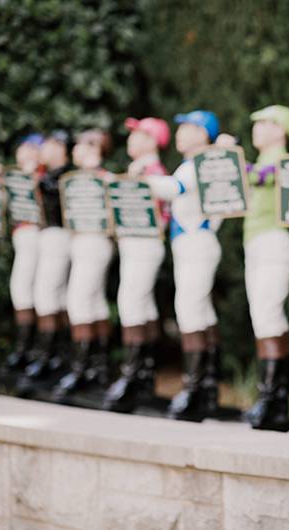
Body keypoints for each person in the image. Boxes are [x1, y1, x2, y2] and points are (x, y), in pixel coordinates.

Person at [146, 110, 223, 421]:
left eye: (189, 128)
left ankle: (195, 389)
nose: (180, 133)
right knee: (200, 311)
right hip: (188, 243)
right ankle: (206, 386)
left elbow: (172, 189)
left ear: (204, 134)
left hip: (197, 241)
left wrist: (140, 179)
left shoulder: (199, 165)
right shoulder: (190, 164)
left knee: (190, 310)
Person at [103, 117, 171, 412]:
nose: (130, 140)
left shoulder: (152, 171)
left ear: (152, 141)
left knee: (132, 301)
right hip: (133, 243)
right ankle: (142, 376)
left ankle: (134, 377)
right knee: (140, 305)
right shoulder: (138, 170)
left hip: (145, 243)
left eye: (138, 135)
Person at [240, 105, 289, 432]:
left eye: (264, 123)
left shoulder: (280, 161)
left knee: (269, 314)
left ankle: (274, 399)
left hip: (274, 241)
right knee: (262, 317)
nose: (257, 129)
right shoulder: (262, 160)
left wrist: (231, 164)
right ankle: (271, 397)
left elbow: (263, 177)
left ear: (280, 129)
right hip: (256, 242)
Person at [52, 128, 115, 401]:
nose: (75, 151)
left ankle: (82, 369)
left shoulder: (104, 179)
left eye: (81, 146)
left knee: (78, 301)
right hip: (82, 242)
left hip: (95, 242)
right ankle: (97, 367)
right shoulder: (73, 180)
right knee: (94, 302)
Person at [17, 130, 75, 392]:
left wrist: (32, 177)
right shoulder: (47, 173)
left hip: (60, 237)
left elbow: (52, 193)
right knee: (46, 296)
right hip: (47, 238)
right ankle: (50, 355)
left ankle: (56, 357)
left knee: (50, 295)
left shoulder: (65, 174)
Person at [0, 133, 45, 375]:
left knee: (38, 293)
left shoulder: (42, 175)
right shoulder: (15, 175)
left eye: (31, 148)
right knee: (21, 291)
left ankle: (36, 352)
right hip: (21, 235)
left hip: (37, 236)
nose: (24, 152)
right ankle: (24, 349)